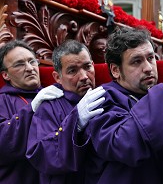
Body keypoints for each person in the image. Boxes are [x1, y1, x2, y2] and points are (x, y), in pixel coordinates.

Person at [75, 26, 163, 184]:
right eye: (136, 61)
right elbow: (124, 145)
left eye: (151, 58)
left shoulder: (154, 91)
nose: (148, 68)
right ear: (116, 70)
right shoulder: (102, 99)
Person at [26, 40, 105, 184]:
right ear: (57, 77)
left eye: (87, 67)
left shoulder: (106, 96)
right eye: (72, 71)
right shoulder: (48, 107)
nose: (84, 76)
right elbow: (43, 154)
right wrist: (76, 123)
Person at [0, 40, 63, 184]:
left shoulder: (55, 94)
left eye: (32, 61)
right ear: (6, 75)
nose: (29, 68)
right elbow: (3, 144)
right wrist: (32, 108)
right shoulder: (3, 101)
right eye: (19, 64)